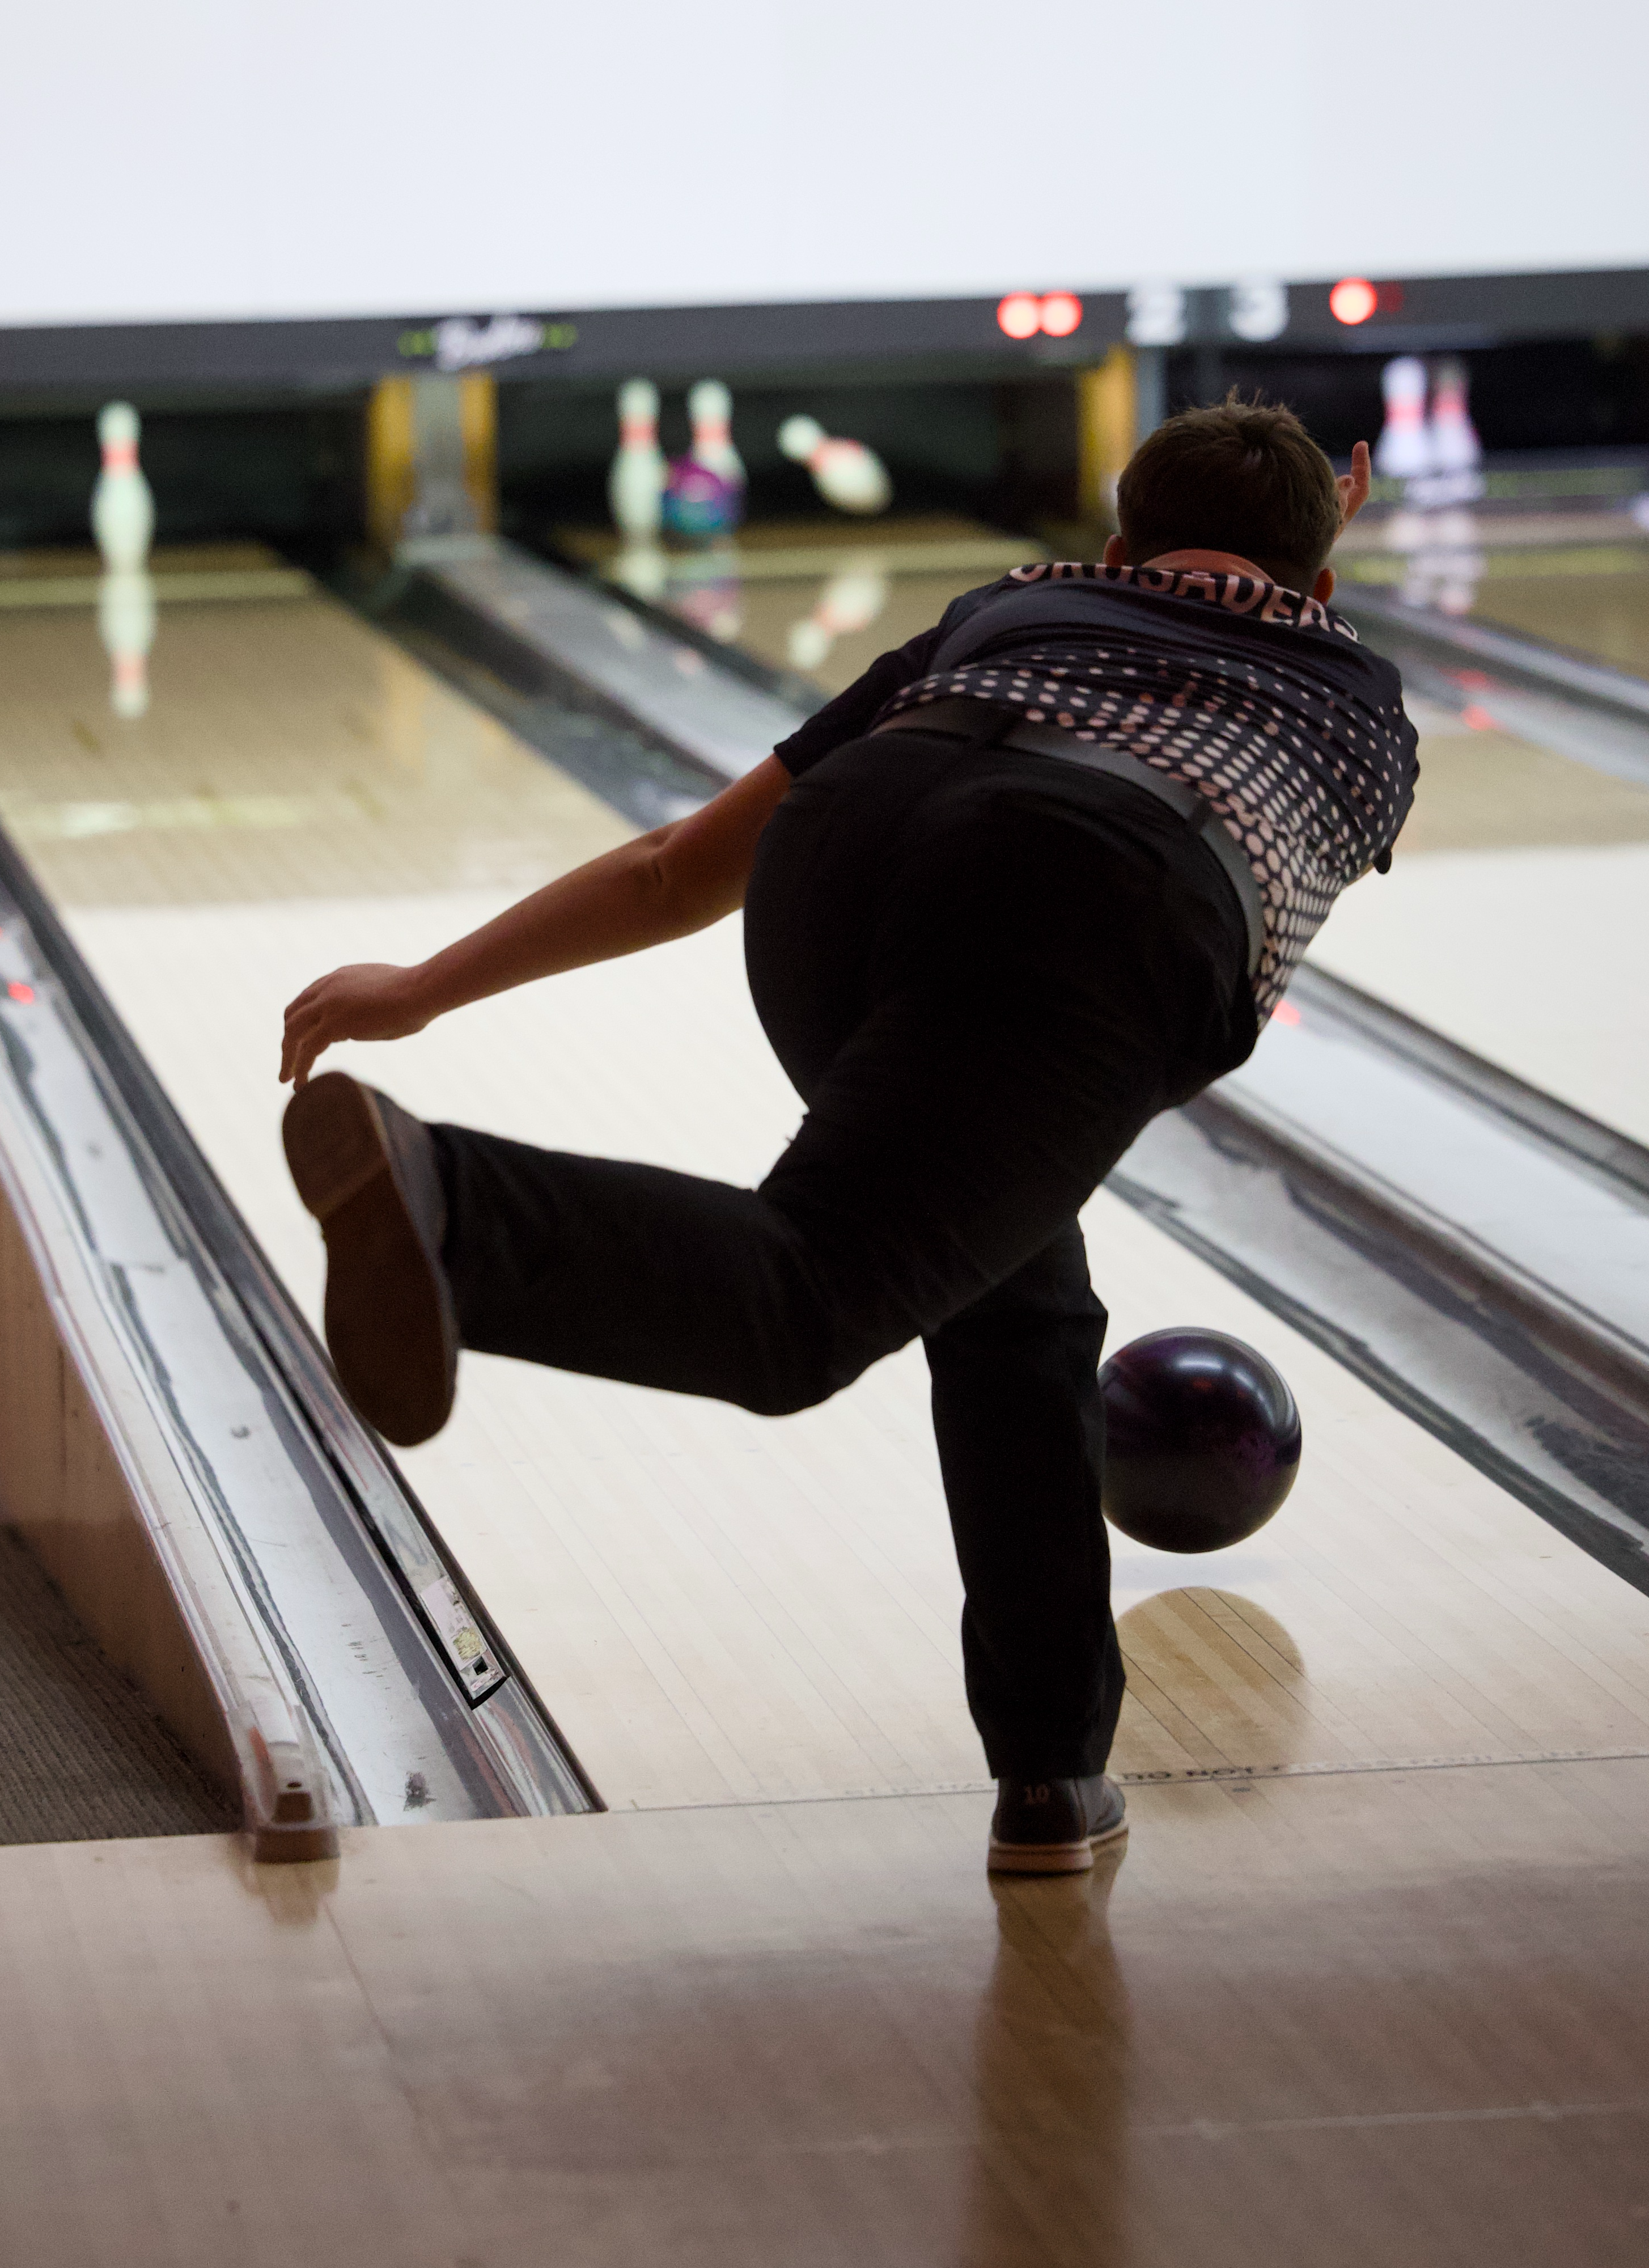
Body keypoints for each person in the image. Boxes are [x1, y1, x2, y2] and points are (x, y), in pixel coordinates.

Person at [277, 396, 1419, 1874]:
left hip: (851, 858)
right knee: (808, 1307)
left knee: (1013, 1303)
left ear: (1119, 539)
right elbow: (1233, 698)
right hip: (1101, 884)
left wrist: (427, 985)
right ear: (1318, 587)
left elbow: (676, 868)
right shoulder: (1361, 701)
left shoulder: (1014, 608)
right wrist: (1324, 523)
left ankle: (1055, 1772)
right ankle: (464, 1209)